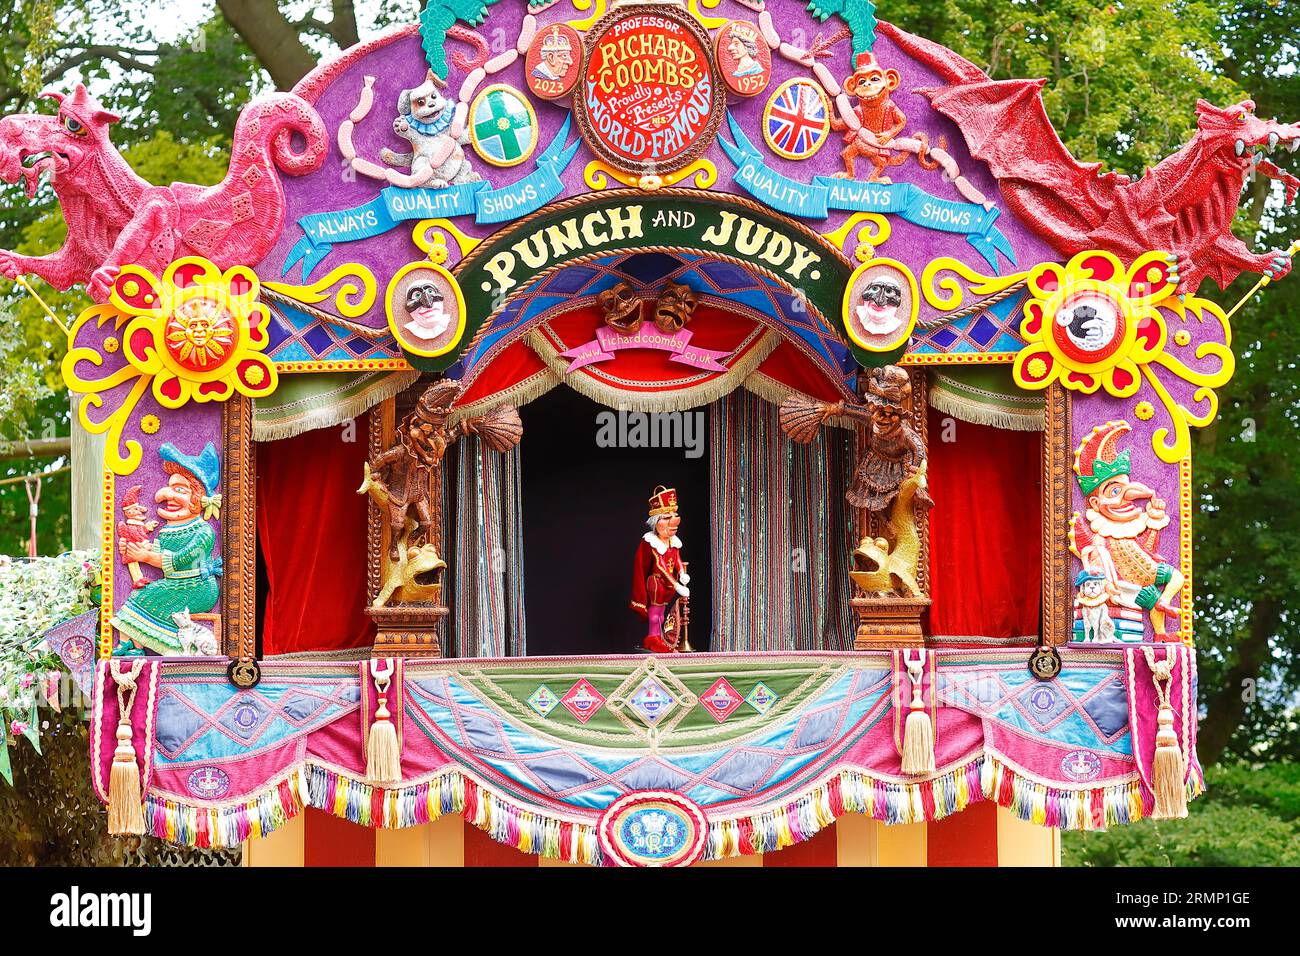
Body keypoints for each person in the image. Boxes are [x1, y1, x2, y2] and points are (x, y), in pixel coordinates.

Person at [112, 442, 223, 655]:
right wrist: (132, 547)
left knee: (148, 599)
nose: (166, 495)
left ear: (198, 498)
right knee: (140, 595)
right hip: (175, 583)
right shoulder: (166, 530)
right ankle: (132, 646)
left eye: (179, 490)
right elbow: (154, 550)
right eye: (170, 487)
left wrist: (145, 555)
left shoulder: (203, 531)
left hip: (197, 587)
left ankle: (174, 647)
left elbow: (180, 559)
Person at [629, 486, 690, 653]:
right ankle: (652, 638)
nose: (672, 520)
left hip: (669, 585)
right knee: (655, 614)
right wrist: (677, 585)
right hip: (657, 583)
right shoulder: (651, 541)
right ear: (657, 522)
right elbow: (660, 565)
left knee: (662, 614)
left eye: (673, 516)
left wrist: (683, 574)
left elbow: (676, 558)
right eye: (666, 517)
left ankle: (659, 637)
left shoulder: (672, 541)